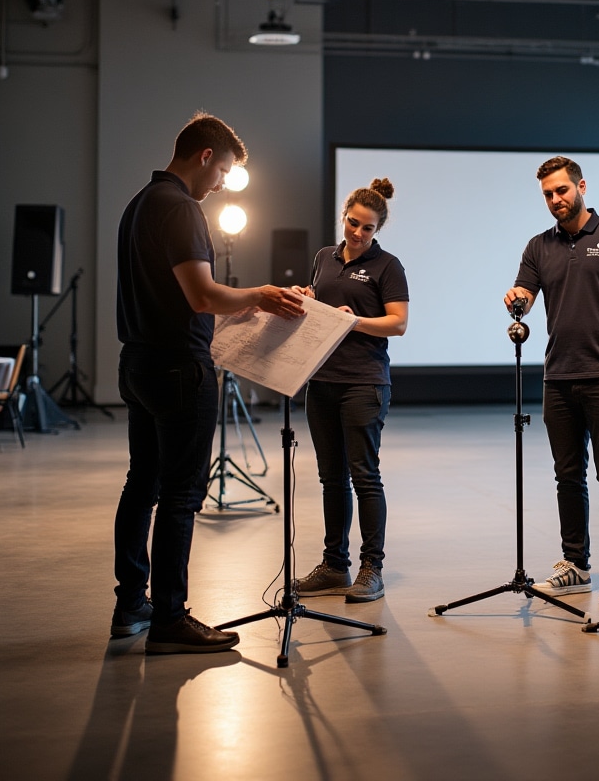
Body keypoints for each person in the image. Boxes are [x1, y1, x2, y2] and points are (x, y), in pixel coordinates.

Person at [113, 113, 306, 654]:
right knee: (180, 495)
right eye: (222, 171)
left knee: (142, 485)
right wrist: (260, 295)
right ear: (204, 157)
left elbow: (177, 294)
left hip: (138, 364)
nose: (221, 184)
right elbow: (201, 296)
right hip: (179, 369)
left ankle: (131, 605)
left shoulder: (139, 204)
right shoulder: (180, 208)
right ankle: (170, 619)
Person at [504, 156, 599, 604]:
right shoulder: (538, 246)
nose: (555, 199)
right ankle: (576, 565)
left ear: (581, 187)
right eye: (548, 194)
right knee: (568, 477)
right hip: (558, 376)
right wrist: (516, 298)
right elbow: (526, 295)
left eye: (562, 190)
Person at [293, 179, 409, 603]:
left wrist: (354, 321)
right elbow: (320, 303)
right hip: (321, 380)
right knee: (331, 478)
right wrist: (306, 298)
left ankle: (371, 568)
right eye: (353, 223)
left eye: (367, 228)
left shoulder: (388, 266)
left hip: (364, 383)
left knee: (364, 476)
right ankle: (334, 566)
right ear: (343, 217)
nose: (358, 233)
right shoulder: (324, 257)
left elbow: (398, 323)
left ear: (378, 230)